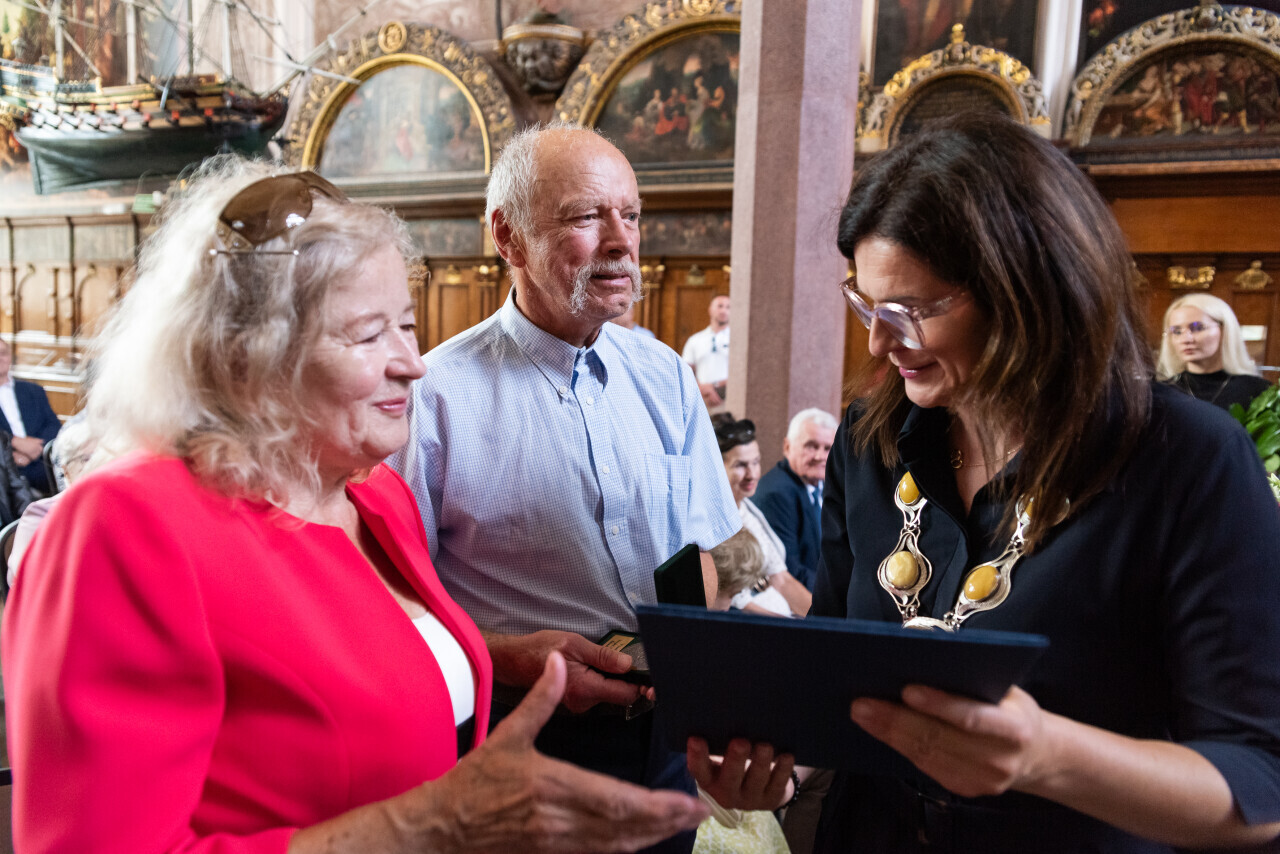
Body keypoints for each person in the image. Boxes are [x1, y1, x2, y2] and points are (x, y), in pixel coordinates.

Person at [2, 159, 709, 853]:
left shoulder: (372, 494)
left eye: (407, 325)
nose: (414, 364)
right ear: (251, 355)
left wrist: (518, 659)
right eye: (370, 335)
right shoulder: (125, 526)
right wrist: (431, 828)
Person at [692, 114, 1280, 852]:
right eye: (866, 303)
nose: (878, 339)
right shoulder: (872, 440)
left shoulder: (1186, 456)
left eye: (912, 310)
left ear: (1031, 292)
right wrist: (782, 765)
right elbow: (836, 662)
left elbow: (1262, 783)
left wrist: (1048, 757)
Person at [389, 123, 739, 854]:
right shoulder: (435, 397)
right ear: (508, 237)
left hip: (665, 740)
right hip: (523, 738)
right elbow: (391, 611)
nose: (621, 241)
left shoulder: (666, 376)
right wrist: (510, 658)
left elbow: (706, 550)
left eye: (630, 215)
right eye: (586, 216)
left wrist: (696, 660)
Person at [713, 414, 810, 618]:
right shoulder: (713, 522)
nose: (752, 474)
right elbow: (734, 602)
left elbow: (781, 579)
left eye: (756, 462)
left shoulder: (747, 509)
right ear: (716, 467)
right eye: (741, 465)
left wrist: (823, 621)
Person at [751, 408, 838, 591]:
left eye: (827, 448)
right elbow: (788, 571)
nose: (820, 457)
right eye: (811, 446)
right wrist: (837, 595)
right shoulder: (776, 494)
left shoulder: (824, 486)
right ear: (787, 447)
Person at [5, 416, 95, 587]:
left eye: (107, 458)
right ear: (66, 471)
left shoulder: (124, 510)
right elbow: (28, 586)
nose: (97, 466)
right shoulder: (40, 516)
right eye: (86, 459)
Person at [1158, 293, 1272, 412]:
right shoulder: (1161, 392)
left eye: (1198, 328)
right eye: (1177, 331)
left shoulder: (1261, 392)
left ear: (1224, 330)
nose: (1186, 339)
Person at [0, 337, 61, 493]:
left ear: (10, 357)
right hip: (4, 467)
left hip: (39, 463)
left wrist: (35, 450)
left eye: (3, 353)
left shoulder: (33, 390)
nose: (0, 358)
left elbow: (53, 425)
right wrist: (12, 446)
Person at [682, 294, 730, 410]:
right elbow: (686, 370)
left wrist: (715, 386)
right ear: (710, 310)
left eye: (728, 307)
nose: (723, 310)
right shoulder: (695, 339)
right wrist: (701, 388)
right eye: (720, 306)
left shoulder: (738, 340)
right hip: (701, 398)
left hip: (729, 398)